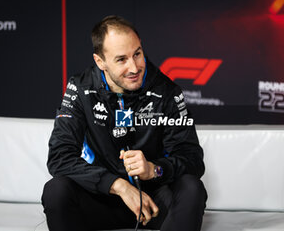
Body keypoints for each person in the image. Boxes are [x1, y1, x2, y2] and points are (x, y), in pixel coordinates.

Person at [42, 15, 207, 231]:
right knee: (56, 190)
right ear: (100, 62)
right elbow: (59, 157)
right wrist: (118, 186)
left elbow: (193, 159)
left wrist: (154, 169)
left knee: (192, 189)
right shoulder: (81, 89)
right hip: (101, 198)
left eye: (137, 54)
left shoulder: (166, 91)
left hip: (153, 203)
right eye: (121, 59)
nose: (134, 67)